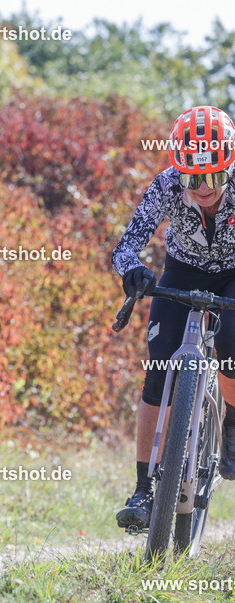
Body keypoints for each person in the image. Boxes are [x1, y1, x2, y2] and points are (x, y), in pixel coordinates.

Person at [112, 105, 235, 528]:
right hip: (182, 272)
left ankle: (232, 423)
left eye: (215, 176)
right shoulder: (165, 184)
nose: (204, 187)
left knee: (233, 341)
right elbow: (125, 247)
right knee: (158, 368)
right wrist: (133, 270)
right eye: (193, 177)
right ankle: (143, 488)